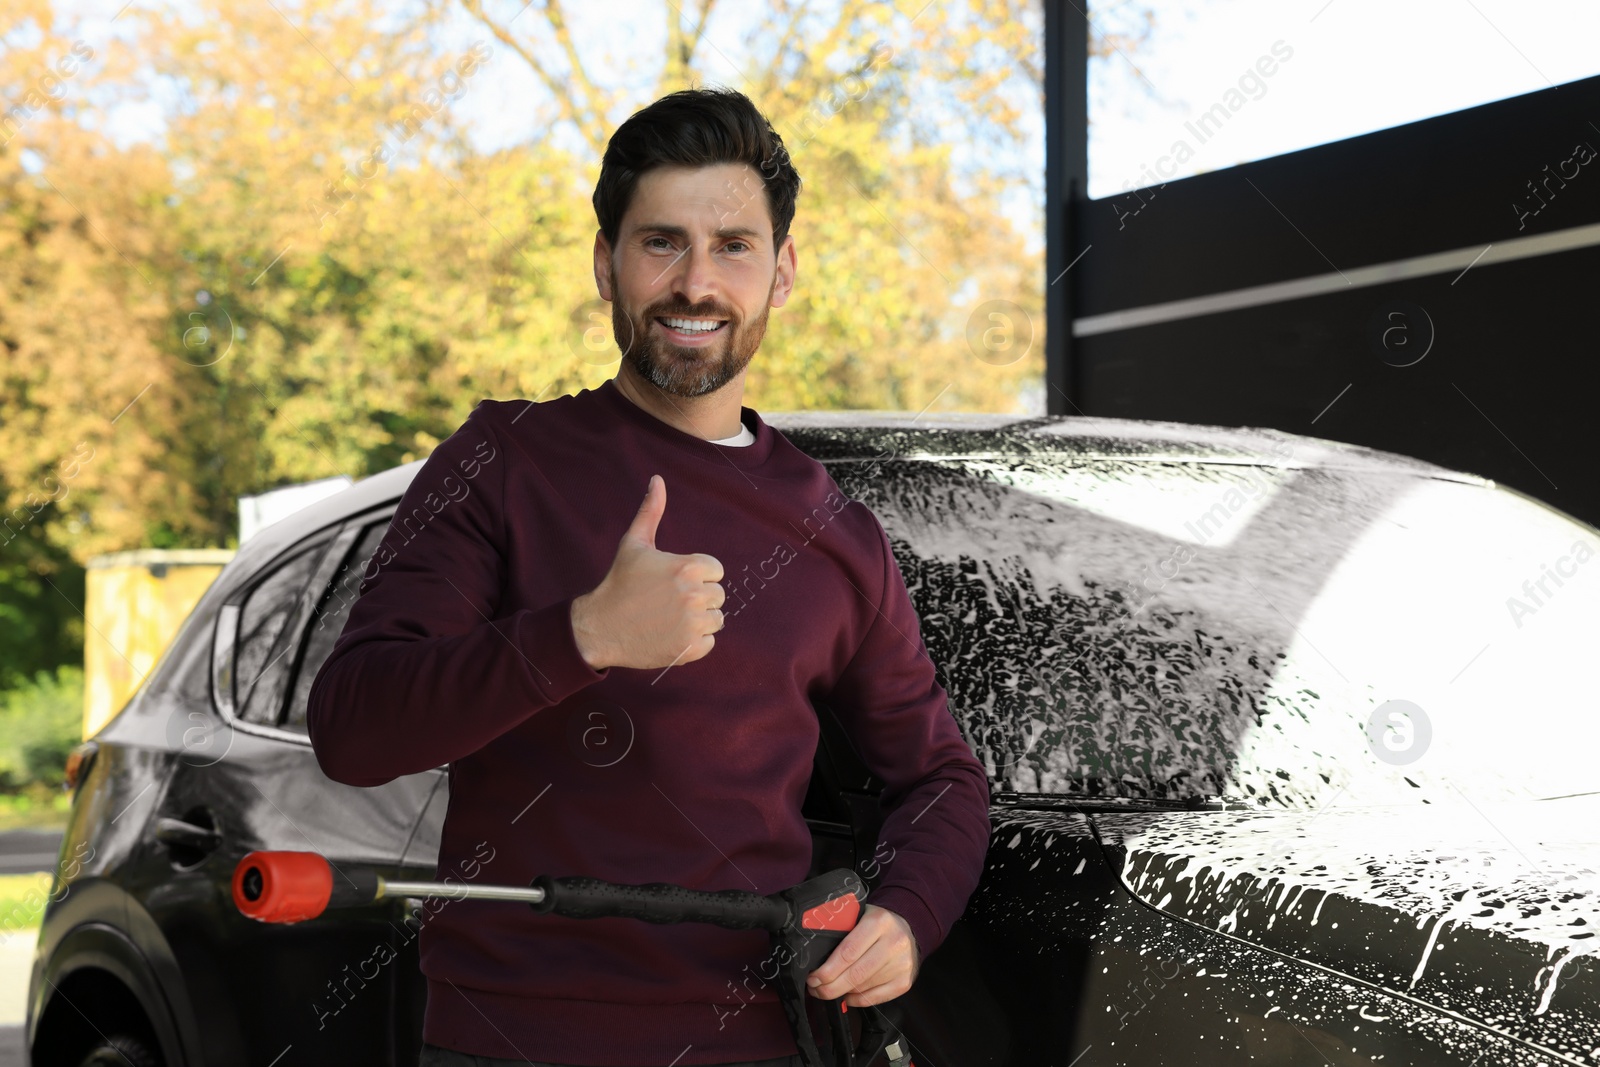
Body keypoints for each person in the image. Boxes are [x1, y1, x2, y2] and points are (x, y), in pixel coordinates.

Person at [306, 86, 990, 1067]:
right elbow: (355, 725)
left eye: (733, 246)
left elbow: (939, 777)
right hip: (513, 1036)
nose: (696, 282)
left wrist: (908, 913)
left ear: (783, 271)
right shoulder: (501, 459)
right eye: (661, 242)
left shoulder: (838, 531)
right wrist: (583, 634)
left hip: (763, 1035)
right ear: (606, 265)